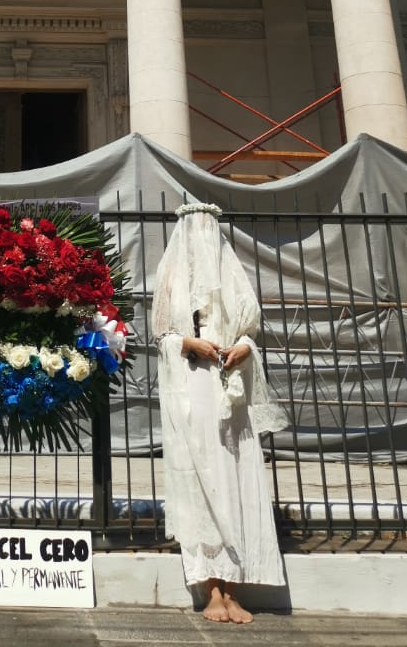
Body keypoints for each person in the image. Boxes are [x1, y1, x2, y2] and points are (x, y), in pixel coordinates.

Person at [150, 202, 287, 625]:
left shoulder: (231, 278)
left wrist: (243, 347)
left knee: (233, 478)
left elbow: (249, 329)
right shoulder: (172, 278)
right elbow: (162, 335)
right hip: (192, 387)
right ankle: (210, 586)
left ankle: (233, 587)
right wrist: (190, 345)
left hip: (229, 393)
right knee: (199, 479)